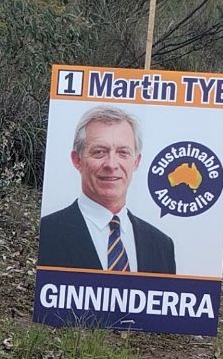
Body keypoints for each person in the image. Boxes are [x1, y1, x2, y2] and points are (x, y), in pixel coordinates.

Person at [37, 105, 176, 273]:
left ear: (136, 162)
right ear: (77, 160)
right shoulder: (46, 234)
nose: (111, 164)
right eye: (99, 152)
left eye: (123, 153)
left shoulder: (161, 246)